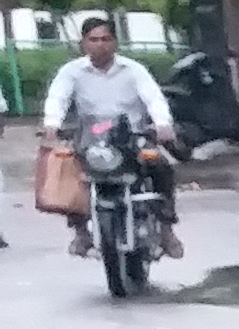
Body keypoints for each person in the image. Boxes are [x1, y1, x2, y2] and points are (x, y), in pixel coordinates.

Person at [41, 16, 179, 262]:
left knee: (161, 166)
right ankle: (81, 232)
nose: (100, 45)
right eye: (93, 39)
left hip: (132, 138)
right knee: (69, 171)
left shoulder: (133, 70)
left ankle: (167, 230)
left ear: (115, 42)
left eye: (105, 39)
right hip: (90, 139)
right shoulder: (71, 72)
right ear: (83, 43)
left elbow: (153, 98)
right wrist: (52, 124)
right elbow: (57, 98)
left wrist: (162, 124)